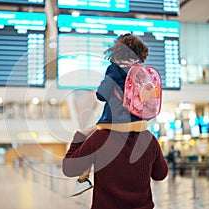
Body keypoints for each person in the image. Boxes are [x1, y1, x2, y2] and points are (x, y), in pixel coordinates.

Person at [63, 33, 168, 208]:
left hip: (111, 123)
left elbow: (68, 168)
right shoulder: (149, 141)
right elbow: (160, 174)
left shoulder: (99, 139)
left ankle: (84, 179)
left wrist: (80, 136)